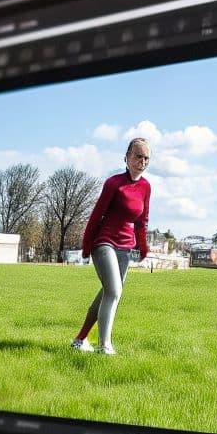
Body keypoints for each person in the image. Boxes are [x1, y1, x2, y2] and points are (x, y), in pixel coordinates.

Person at [73, 137, 152, 354]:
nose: (142, 162)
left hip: (126, 248)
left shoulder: (146, 187)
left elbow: (142, 221)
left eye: (146, 158)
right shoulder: (114, 183)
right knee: (114, 291)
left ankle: (80, 340)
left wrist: (143, 247)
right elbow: (96, 215)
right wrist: (87, 246)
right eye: (138, 156)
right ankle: (104, 346)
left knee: (107, 293)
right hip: (104, 243)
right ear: (127, 157)